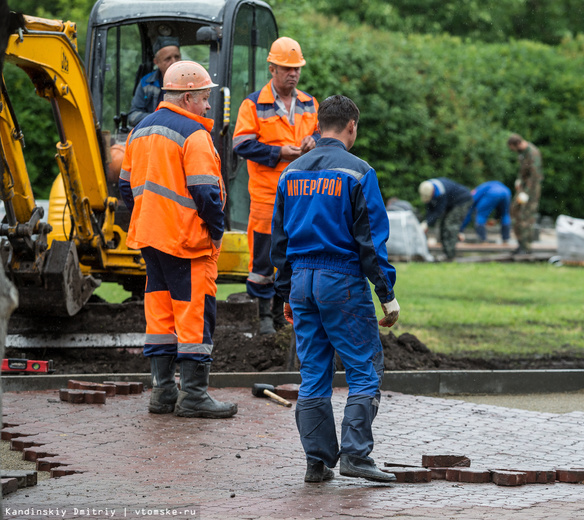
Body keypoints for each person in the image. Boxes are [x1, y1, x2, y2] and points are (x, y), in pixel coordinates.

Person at [270, 95, 400, 484]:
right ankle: (356, 456)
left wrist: (284, 294)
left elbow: (277, 243)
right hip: (341, 280)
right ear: (351, 126)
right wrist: (387, 295)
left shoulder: (290, 173)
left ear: (318, 124)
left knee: (313, 374)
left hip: (301, 283)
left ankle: (317, 461)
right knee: (364, 368)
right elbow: (371, 243)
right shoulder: (359, 173)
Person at [119, 61, 237, 419]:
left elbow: (126, 187)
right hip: (187, 241)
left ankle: (163, 394)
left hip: (150, 240)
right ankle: (194, 396)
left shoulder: (139, 130)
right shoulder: (194, 134)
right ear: (187, 97)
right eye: (204, 98)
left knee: (160, 316)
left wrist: (151, 214)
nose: (207, 106)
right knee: (193, 316)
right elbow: (206, 193)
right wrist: (215, 231)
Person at [233, 37, 319, 335]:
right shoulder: (253, 104)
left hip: (302, 196)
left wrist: (314, 142)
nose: (292, 74)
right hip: (267, 196)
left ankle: (284, 312)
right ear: (272, 69)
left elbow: (322, 137)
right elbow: (241, 144)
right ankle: (264, 316)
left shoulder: (310, 103)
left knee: (294, 255)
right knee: (264, 257)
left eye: (296, 69)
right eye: (286, 68)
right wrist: (279, 152)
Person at [128, 36, 181, 126]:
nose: (174, 61)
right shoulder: (146, 83)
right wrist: (160, 119)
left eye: (177, 57)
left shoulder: (191, 82)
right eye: (168, 59)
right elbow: (133, 117)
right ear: (156, 62)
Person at [418, 177, 472, 261]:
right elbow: (430, 209)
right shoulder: (428, 188)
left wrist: (427, 223)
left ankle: (449, 255)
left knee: (450, 225)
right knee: (443, 225)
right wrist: (427, 222)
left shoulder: (441, 192)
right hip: (451, 203)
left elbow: (438, 211)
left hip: (462, 201)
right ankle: (446, 253)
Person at [507, 133, 543, 254]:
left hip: (531, 190)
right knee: (515, 212)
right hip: (523, 188)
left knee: (525, 216)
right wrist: (519, 181)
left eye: (513, 148)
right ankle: (520, 243)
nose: (513, 151)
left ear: (517, 144)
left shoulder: (533, 153)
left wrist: (526, 193)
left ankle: (526, 247)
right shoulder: (522, 153)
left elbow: (535, 176)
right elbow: (523, 171)